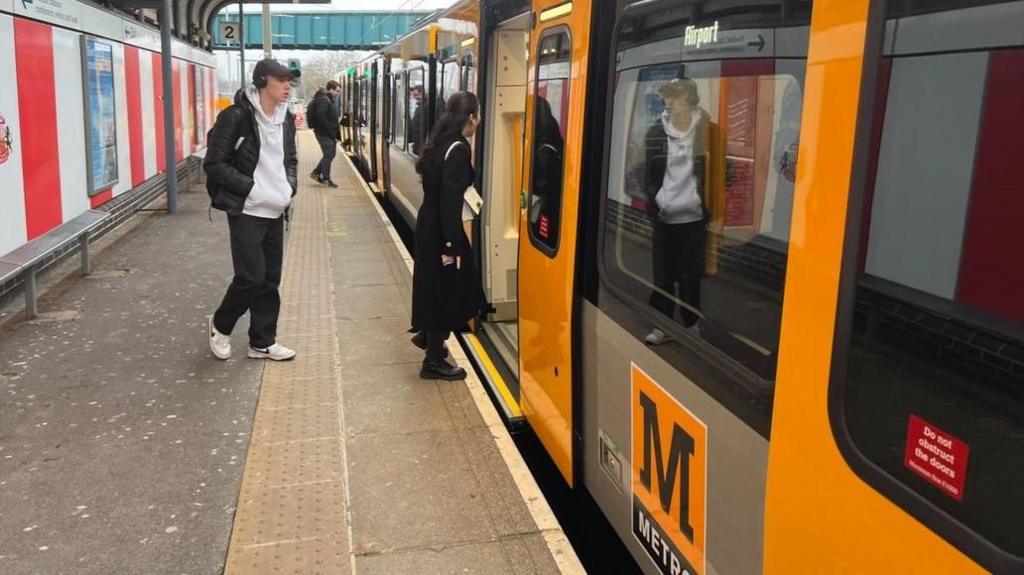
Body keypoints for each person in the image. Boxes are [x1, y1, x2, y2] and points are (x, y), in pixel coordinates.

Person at [204, 59, 299, 362]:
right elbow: (214, 164)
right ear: (262, 81)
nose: (287, 86)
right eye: (281, 80)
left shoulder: (286, 118)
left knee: (270, 280)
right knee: (250, 277)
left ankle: (262, 341)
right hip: (247, 210)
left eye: (289, 81)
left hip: (275, 210)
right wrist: (252, 190)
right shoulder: (236, 117)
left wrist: (289, 188)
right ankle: (220, 324)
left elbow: (291, 160)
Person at [409, 92, 484, 380]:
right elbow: (450, 200)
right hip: (443, 228)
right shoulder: (459, 148)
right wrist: (453, 245)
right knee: (452, 289)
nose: (477, 121)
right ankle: (433, 361)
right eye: (477, 115)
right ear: (471, 117)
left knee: (436, 286)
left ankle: (429, 337)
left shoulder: (439, 141)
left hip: (430, 223)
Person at [642, 78, 712, 345]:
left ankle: (691, 324)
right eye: (666, 98)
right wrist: (658, 198)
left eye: (675, 97)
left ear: (690, 100)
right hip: (664, 219)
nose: (669, 103)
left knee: (690, 276)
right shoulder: (655, 133)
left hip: (694, 219)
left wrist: (706, 201)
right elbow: (647, 173)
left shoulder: (707, 130)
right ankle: (662, 326)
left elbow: (719, 168)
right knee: (663, 277)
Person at [308, 80, 341, 188]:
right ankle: (325, 179)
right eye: (337, 91)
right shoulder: (324, 100)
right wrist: (330, 131)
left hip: (326, 132)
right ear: (330, 89)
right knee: (329, 154)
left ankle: (316, 173)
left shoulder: (327, 99)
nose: (338, 93)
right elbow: (321, 117)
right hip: (323, 132)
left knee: (330, 154)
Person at [408, 85, 425, 155]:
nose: (415, 97)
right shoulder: (420, 106)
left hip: (420, 142)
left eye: (416, 95)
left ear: (422, 93)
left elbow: (418, 128)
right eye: (413, 95)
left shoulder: (422, 107)